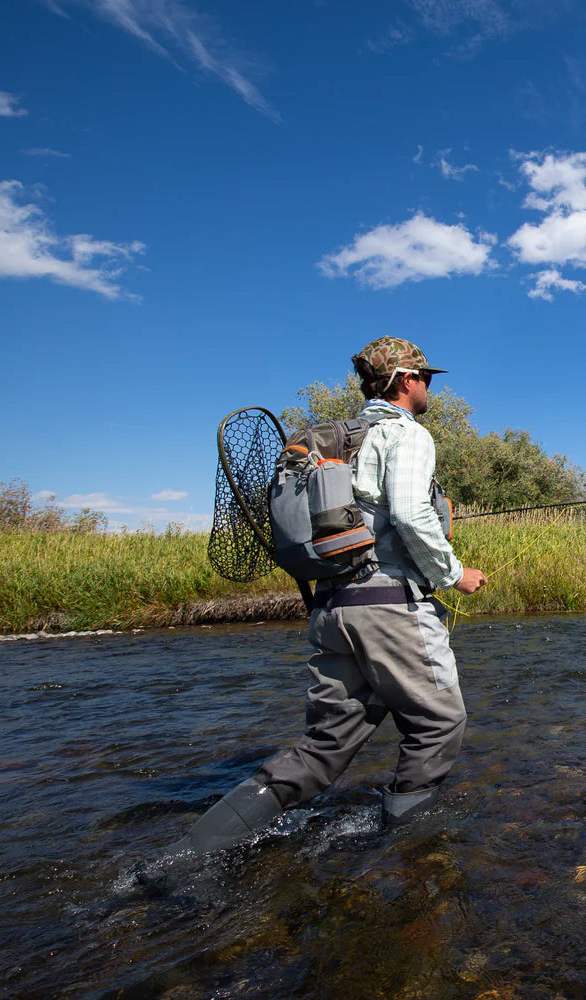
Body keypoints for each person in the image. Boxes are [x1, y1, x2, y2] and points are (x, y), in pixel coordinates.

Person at [171, 337, 487, 855]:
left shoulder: (339, 441)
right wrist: (454, 574)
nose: (429, 386)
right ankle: (408, 854)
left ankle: (186, 856)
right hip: (389, 609)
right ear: (406, 381)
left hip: (333, 610)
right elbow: (409, 513)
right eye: (425, 377)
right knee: (439, 723)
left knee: (324, 747)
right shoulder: (405, 434)